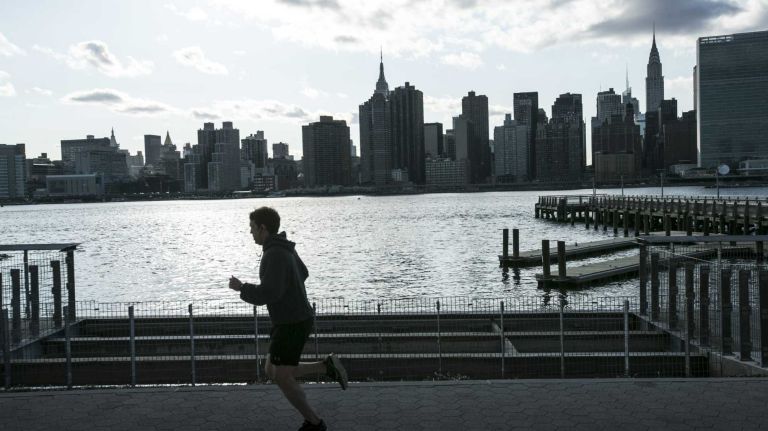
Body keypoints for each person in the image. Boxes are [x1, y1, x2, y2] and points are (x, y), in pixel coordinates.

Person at [229, 206, 348, 431]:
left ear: (263, 228)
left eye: (252, 228)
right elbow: (303, 272)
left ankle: (314, 423)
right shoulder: (285, 248)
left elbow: (269, 293)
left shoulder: (274, 253)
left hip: (291, 322)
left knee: (282, 376)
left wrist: (241, 288)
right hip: (291, 319)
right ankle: (327, 367)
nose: (250, 232)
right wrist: (290, 287)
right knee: (271, 369)